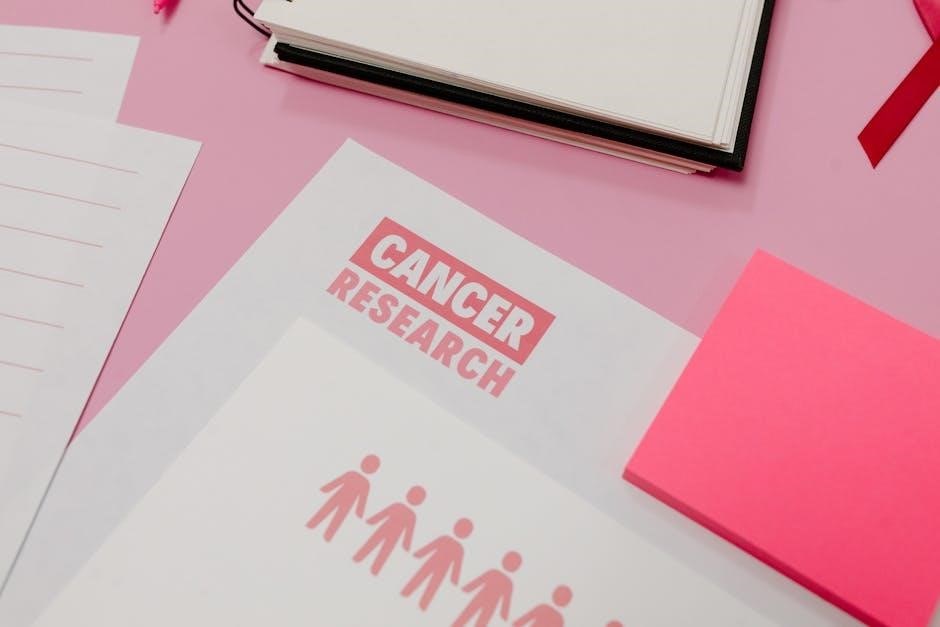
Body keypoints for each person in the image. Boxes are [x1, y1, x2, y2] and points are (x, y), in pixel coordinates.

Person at [401, 517, 473, 610]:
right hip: (433, 565)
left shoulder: (455, 546)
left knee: (431, 583)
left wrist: (419, 554)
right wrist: (419, 554)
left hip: (438, 567)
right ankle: (412, 595)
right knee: (424, 579)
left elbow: (457, 564)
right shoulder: (450, 543)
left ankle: (421, 601)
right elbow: (431, 547)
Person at [353, 485, 425, 575]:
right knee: (377, 545)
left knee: (382, 549)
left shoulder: (407, 512)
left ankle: (370, 564)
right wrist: (406, 544)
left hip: (390, 533)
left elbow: (409, 531)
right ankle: (367, 562)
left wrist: (372, 520)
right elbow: (384, 514)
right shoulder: (404, 510)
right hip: (387, 531)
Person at [305, 454, 380, 541]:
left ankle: (325, 533)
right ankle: (316, 526)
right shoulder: (355, 476)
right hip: (340, 498)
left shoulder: (362, 481)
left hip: (346, 501)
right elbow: (338, 482)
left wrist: (359, 511)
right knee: (329, 511)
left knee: (337, 516)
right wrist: (325, 488)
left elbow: (362, 498)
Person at [452, 550, 522, 627]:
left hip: (486, 602)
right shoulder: (503, 580)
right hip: (485, 601)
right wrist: (504, 614)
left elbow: (506, 600)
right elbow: (506, 600)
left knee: (472, 618)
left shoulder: (500, 577)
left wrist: (466, 588)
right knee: (470, 617)